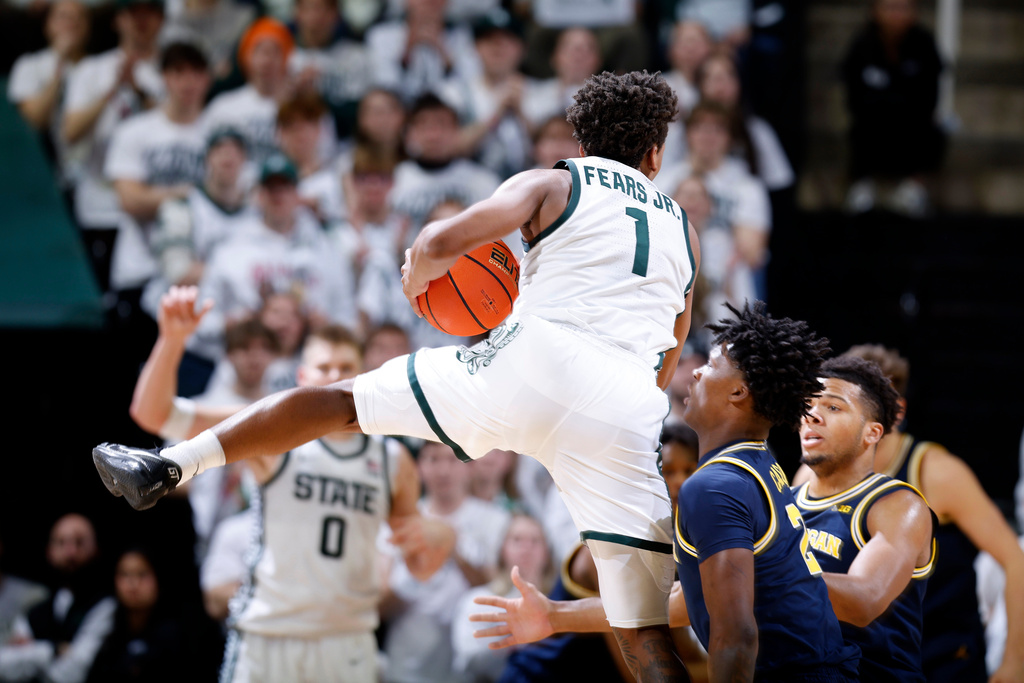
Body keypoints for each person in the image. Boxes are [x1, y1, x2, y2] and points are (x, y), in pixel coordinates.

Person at [94, 69, 699, 683]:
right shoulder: (687, 232)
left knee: (340, 402)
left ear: (580, 145)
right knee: (645, 624)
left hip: (535, 359)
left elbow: (441, 238)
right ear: (655, 152)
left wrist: (417, 275)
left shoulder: (554, 180)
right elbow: (670, 351)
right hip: (626, 406)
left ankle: (169, 465)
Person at [124, 285, 456, 683]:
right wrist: (171, 340)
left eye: (345, 368)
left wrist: (441, 537)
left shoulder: (393, 460)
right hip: (269, 635)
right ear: (301, 378)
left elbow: (420, 563)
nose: (334, 378)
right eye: (323, 369)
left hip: (347, 639)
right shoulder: (271, 433)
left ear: (363, 376)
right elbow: (153, 412)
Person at [840, 344, 1024, 683]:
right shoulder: (816, 473)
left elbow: (1015, 559)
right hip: (865, 661)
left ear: (896, 411)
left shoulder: (936, 472)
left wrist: (1014, 662)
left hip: (943, 657)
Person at [792, 354, 935, 682]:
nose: (812, 414)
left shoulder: (898, 504)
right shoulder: (783, 501)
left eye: (833, 407)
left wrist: (752, 572)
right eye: (809, 404)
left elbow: (862, 600)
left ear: (872, 433)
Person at [841, 0, 945, 216]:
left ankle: (913, 188)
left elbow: (929, 95)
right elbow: (853, 95)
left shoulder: (924, 43)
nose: (896, 15)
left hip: (912, 123)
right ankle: (862, 186)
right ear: (875, 11)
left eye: (903, 8)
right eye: (890, 8)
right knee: (862, 127)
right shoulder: (862, 44)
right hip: (873, 121)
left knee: (935, 131)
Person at [0, 514, 115, 683]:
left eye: (79, 542)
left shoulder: (105, 605)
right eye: (61, 542)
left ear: (96, 549)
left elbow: (74, 673)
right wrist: (53, 650)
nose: (70, 552)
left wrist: (31, 654)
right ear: (49, 551)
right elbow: (3, 664)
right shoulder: (37, 607)